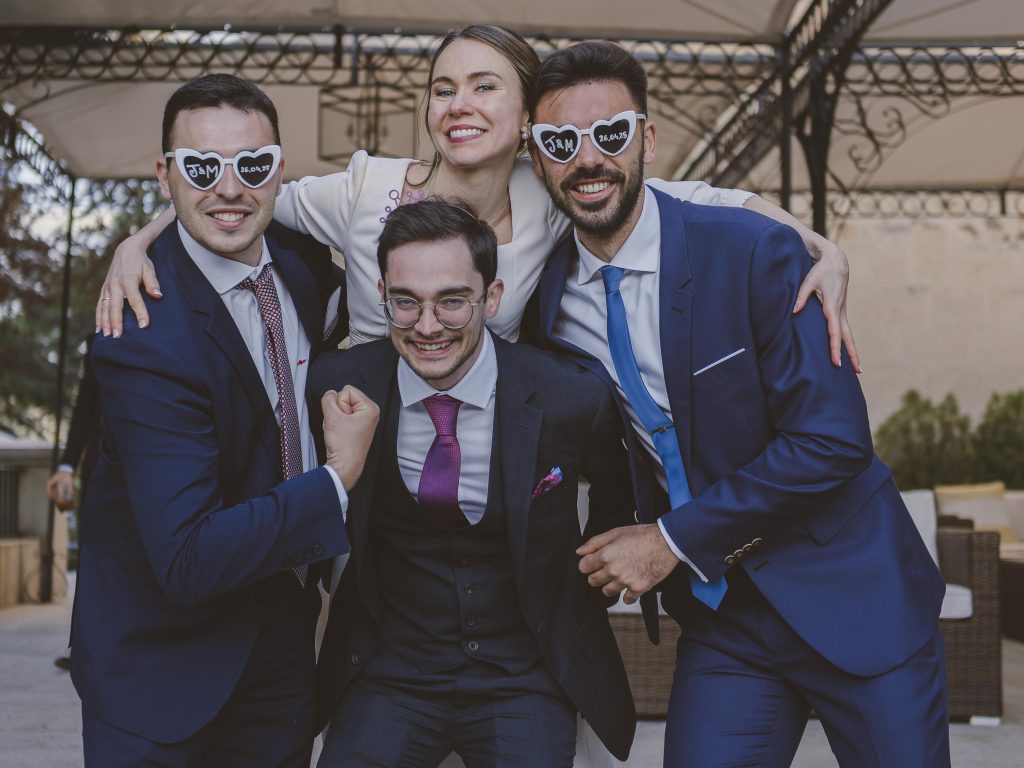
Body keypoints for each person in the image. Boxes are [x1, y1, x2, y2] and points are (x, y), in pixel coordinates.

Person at [527, 42, 949, 767]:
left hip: (852, 593)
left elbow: (833, 441)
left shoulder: (757, 253)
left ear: (648, 140)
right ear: (538, 159)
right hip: (725, 620)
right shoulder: (547, 305)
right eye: (562, 141)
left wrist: (667, 540)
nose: (588, 158)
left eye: (612, 134)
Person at [96, 25, 860, 372]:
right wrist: (138, 240)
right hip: (363, 415)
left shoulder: (555, 189)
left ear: (527, 116)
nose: (457, 104)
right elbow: (239, 190)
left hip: (489, 435)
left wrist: (824, 248)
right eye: (442, 89)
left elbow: (712, 198)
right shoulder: (364, 188)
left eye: (483, 87)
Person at [71, 74, 380, 767]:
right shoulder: (144, 330)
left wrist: (143, 233)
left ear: (278, 171)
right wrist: (338, 477)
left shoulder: (302, 266)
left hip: (280, 655)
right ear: (166, 174)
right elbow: (184, 560)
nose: (231, 188)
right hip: (162, 676)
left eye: (253, 165)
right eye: (202, 167)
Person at [308, 199, 637, 766]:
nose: (427, 326)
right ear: (382, 293)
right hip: (389, 672)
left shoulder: (569, 396)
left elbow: (617, 489)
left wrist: (588, 580)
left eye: (453, 301)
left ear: (492, 297)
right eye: (405, 302)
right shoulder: (335, 386)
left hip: (525, 674)